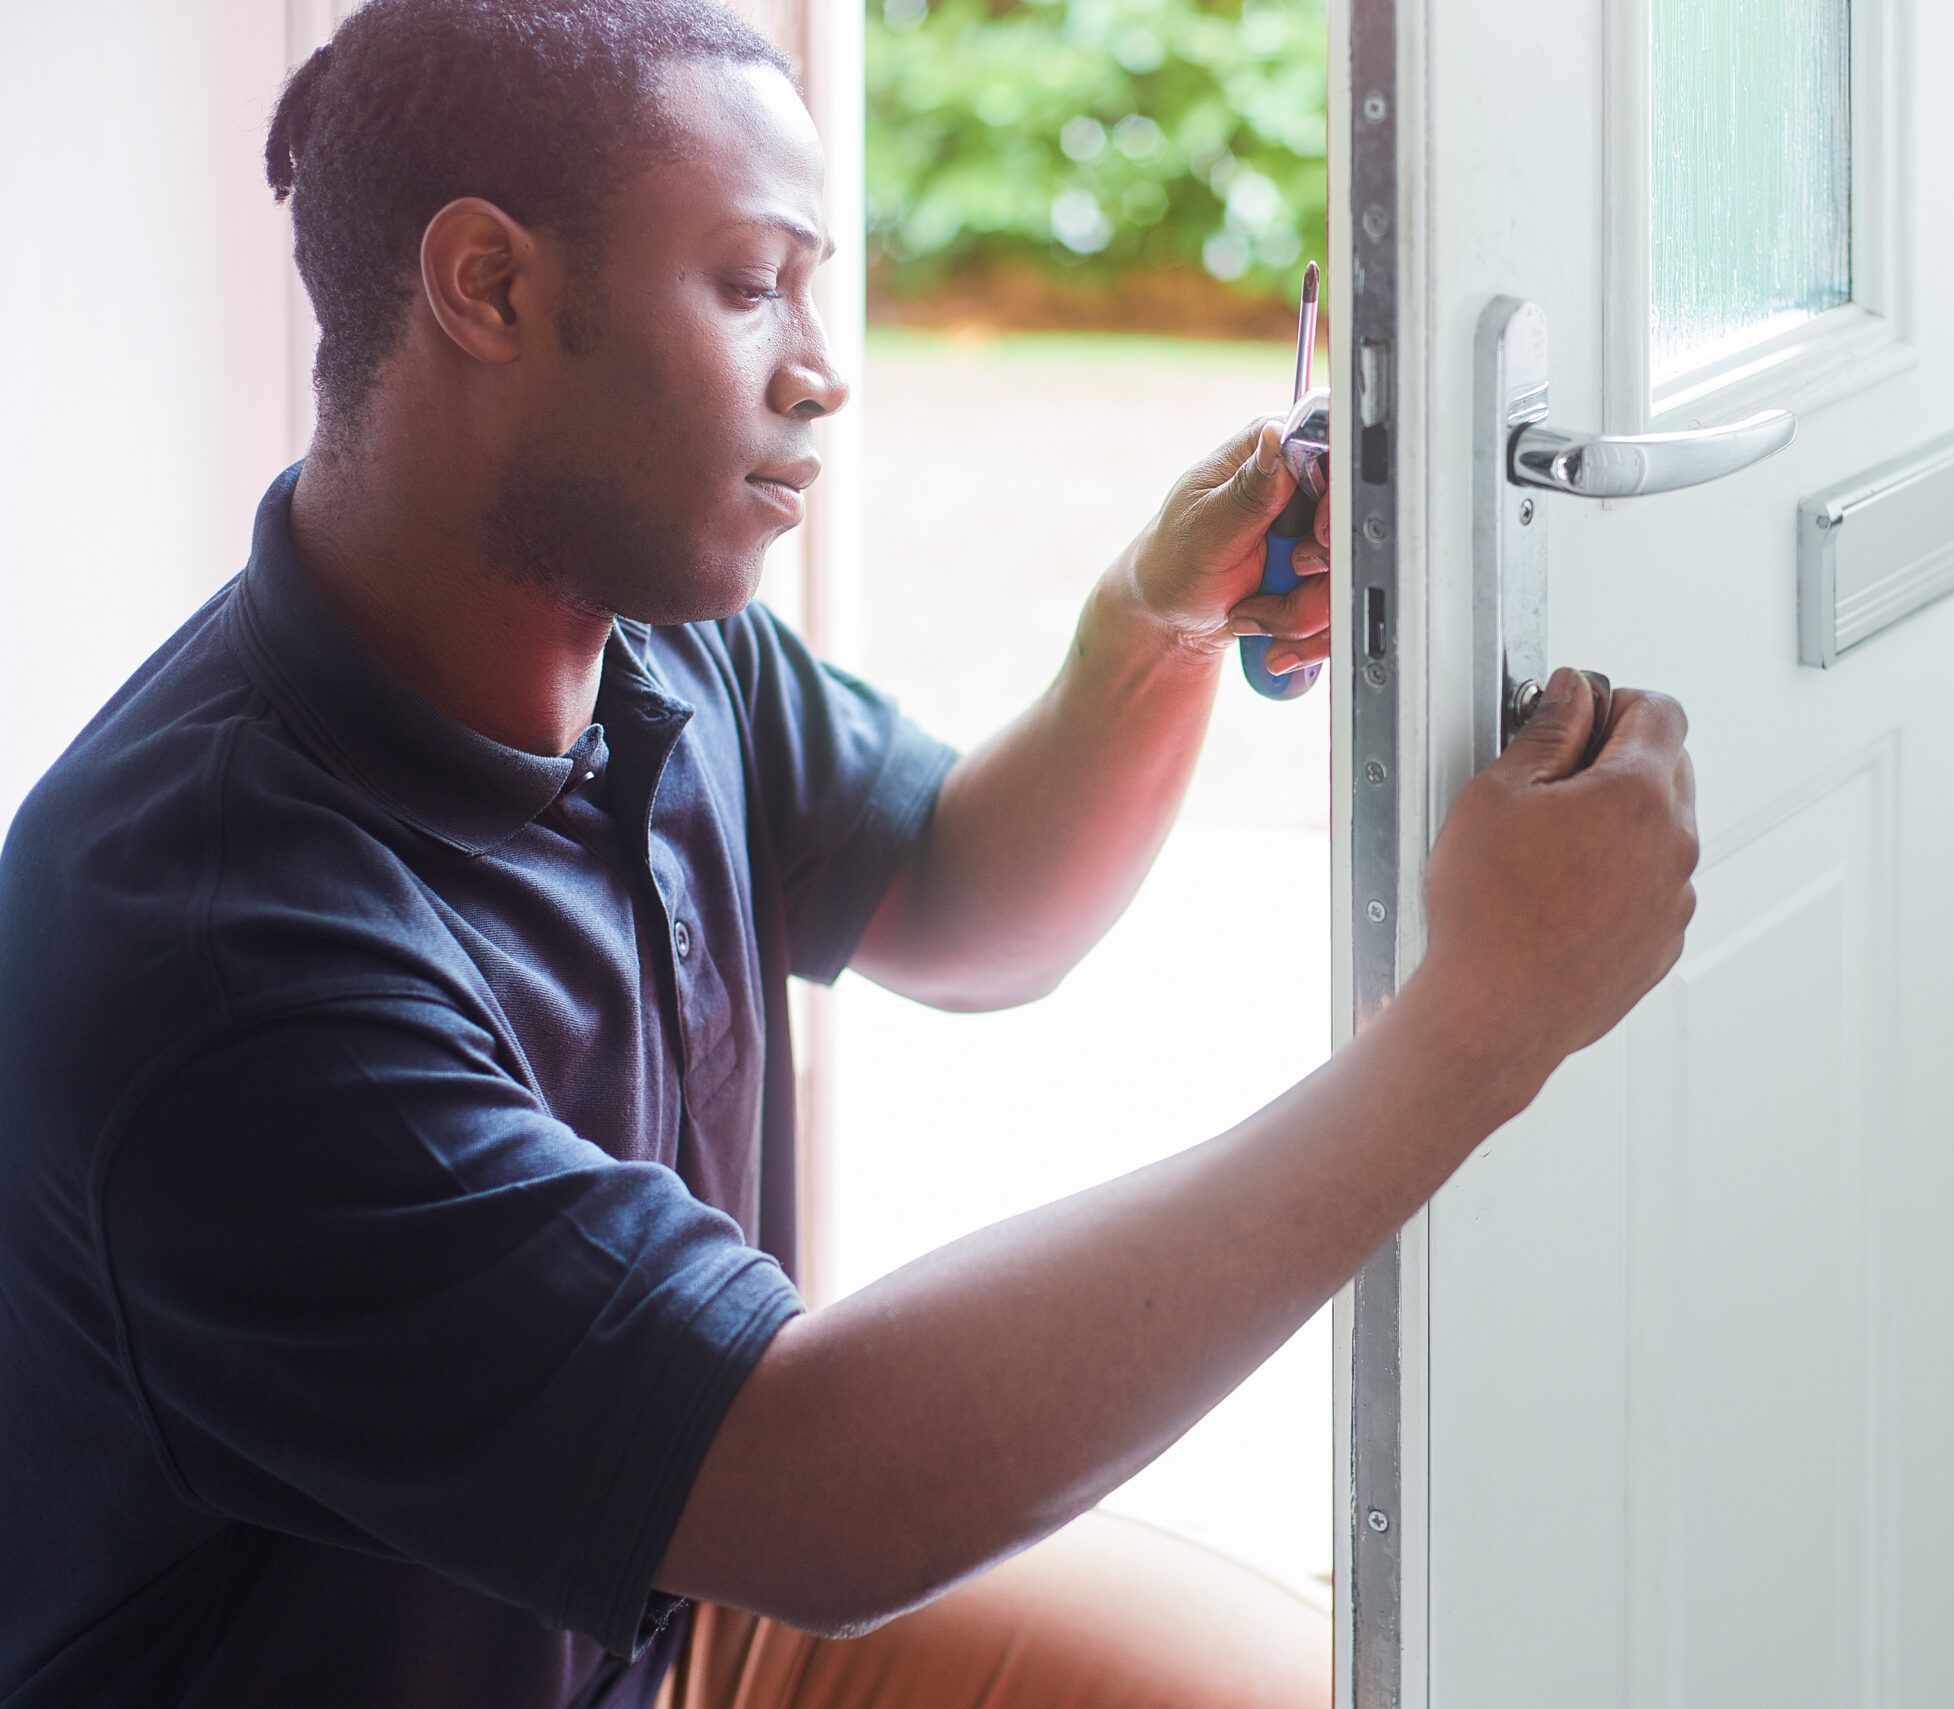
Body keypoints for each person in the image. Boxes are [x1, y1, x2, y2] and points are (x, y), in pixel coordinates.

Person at [0, 2, 1699, 1705]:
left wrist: (1152, 629)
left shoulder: (645, 635)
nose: (823, 364)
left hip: (657, 1610)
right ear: (490, 288)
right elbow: (818, 1488)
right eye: (751, 284)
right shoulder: (221, 963)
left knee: (1324, 1684)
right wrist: (1478, 1028)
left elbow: (969, 901)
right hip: (696, 1533)